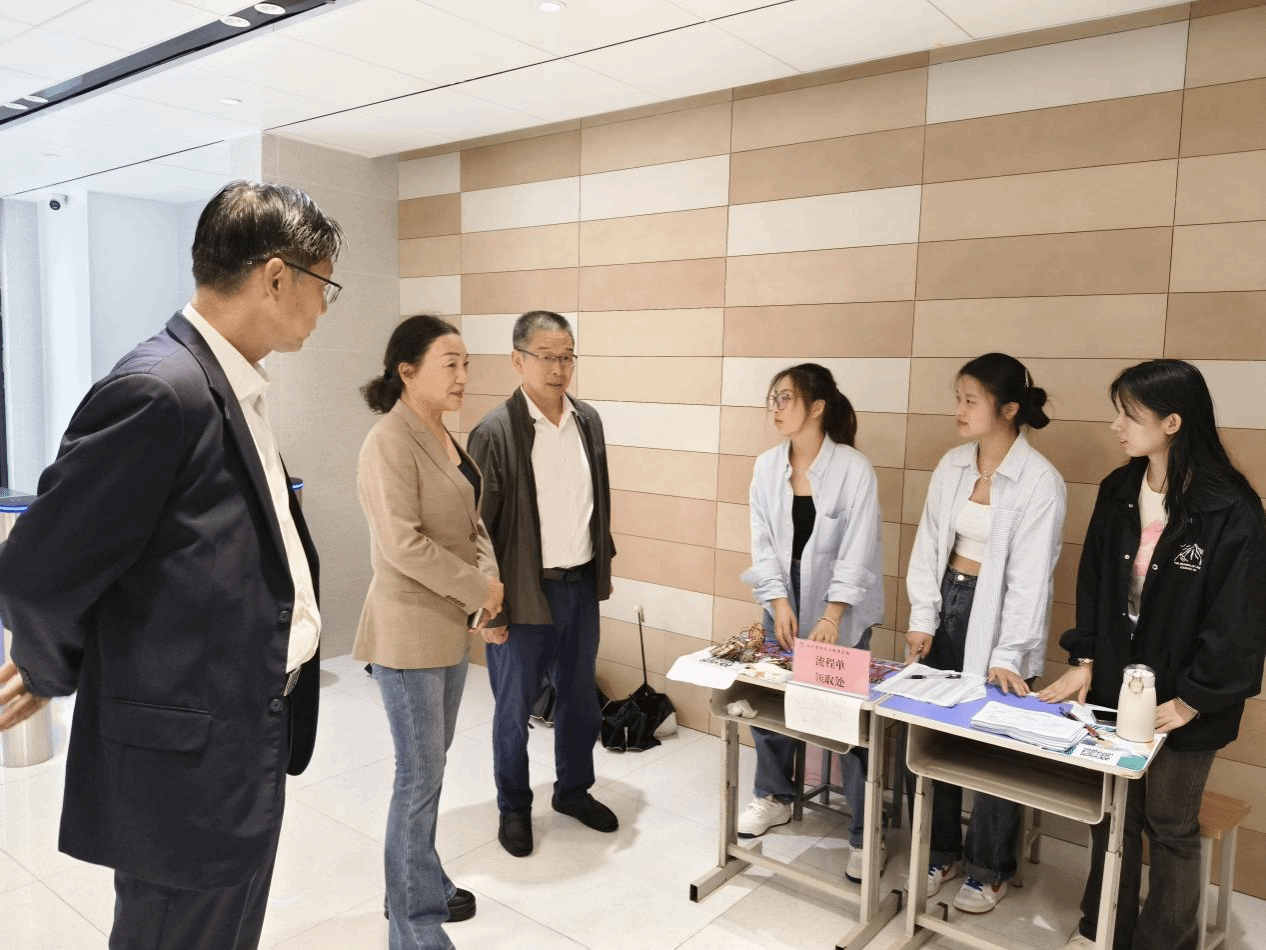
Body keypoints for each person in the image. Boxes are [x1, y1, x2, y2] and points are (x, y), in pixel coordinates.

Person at [0, 181, 342, 949]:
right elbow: (36, 572)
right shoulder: (161, 391)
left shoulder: (230, 385)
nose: (324, 308)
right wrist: (52, 670)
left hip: (243, 733)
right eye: (323, 286)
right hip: (184, 769)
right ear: (277, 277)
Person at [1038, 360, 1266, 950]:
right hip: (1117, 681)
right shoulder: (1120, 490)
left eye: (1129, 415)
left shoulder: (1230, 509)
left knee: (1170, 825)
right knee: (1114, 813)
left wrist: (1192, 699)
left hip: (1188, 697)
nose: (1116, 426)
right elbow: (1094, 582)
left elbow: (1238, 620)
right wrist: (1086, 659)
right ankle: (1102, 929)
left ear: (1172, 422)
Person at [354, 315, 503, 950]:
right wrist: (478, 589)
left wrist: (488, 586)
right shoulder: (387, 441)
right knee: (417, 779)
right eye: (450, 364)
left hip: (447, 627)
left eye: (466, 364)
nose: (463, 376)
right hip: (408, 634)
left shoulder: (444, 435)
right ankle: (413, 928)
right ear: (407, 372)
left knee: (431, 772)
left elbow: (473, 524)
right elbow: (402, 545)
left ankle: (421, 878)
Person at [905, 353, 1066, 914]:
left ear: (1009, 409)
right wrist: (922, 617)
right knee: (929, 728)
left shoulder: (1040, 481)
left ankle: (989, 869)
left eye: (970, 400)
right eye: (958, 398)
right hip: (947, 601)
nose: (959, 409)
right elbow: (930, 543)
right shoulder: (952, 463)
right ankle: (939, 851)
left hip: (999, 616)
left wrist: (1009, 652)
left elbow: (1031, 577)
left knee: (993, 743)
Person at [465, 310, 617, 858]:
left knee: (579, 701)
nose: (559, 369)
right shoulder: (494, 432)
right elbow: (475, 528)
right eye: (547, 357)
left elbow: (597, 504)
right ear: (518, 360)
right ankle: (513, 807)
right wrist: (488, 608)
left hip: (579, 585)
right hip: (523, 593)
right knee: (514, 708)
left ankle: (573, 791)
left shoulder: (587, 421)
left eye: (567, 357)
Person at [736, 363, 886, 882]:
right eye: (773, 398)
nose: (775, 408)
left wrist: (831, 614)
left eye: (786, 398)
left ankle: (865, 832)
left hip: (839, 601)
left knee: (846, 712)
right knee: (772, 695)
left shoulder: (853, 469)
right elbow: (763, 542)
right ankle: (774, 795)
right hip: (783, 593)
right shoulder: (766, 466)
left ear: (817, 407)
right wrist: (778, 602)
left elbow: (859, 549)